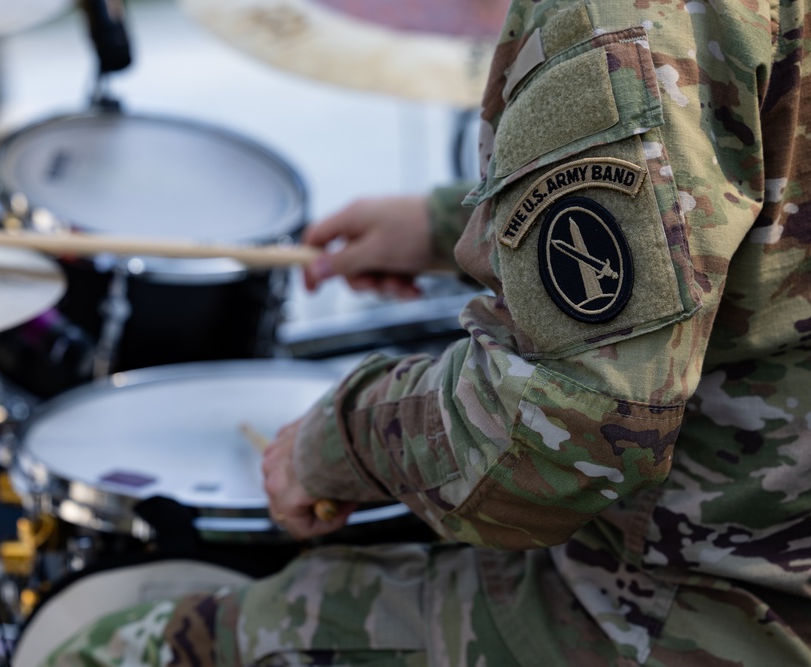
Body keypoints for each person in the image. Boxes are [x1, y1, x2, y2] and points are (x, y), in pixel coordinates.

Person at [41, 0, 811, 664]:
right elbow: (756, 171)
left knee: (115, 647)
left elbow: (558, 442)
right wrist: (457, 221)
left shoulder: (615, 18)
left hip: (712, 616)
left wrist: (340, 439)